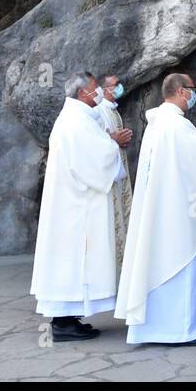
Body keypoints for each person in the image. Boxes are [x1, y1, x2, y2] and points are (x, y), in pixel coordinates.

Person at [115, 73, 196, 346]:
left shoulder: (158, 123)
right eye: (192, 89)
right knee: (182, 264)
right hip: (180, 216)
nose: (194, 94)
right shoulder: (176, 126)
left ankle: (162, 327)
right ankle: (183, 330)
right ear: (180, 91)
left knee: (159, 261)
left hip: (163, 209)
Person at [30, 72, 126, 342]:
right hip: (75, 208)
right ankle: (62, 323)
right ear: (83, 93)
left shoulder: (77, 118)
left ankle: (69, 318)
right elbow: (96, 158)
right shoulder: (75, 122)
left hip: (73, 204)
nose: (99, 93)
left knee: (71, 261)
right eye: (96, 88)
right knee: (71, 261)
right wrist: (112, 143)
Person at [90, 73, 134, 265]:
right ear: (104, 88)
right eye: (115, 85)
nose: (119, 87)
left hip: (119, 168)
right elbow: (96, 143)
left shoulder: (114, 110)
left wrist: (121, 142)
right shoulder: (99, 111)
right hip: (109, 176)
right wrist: (114, 140)